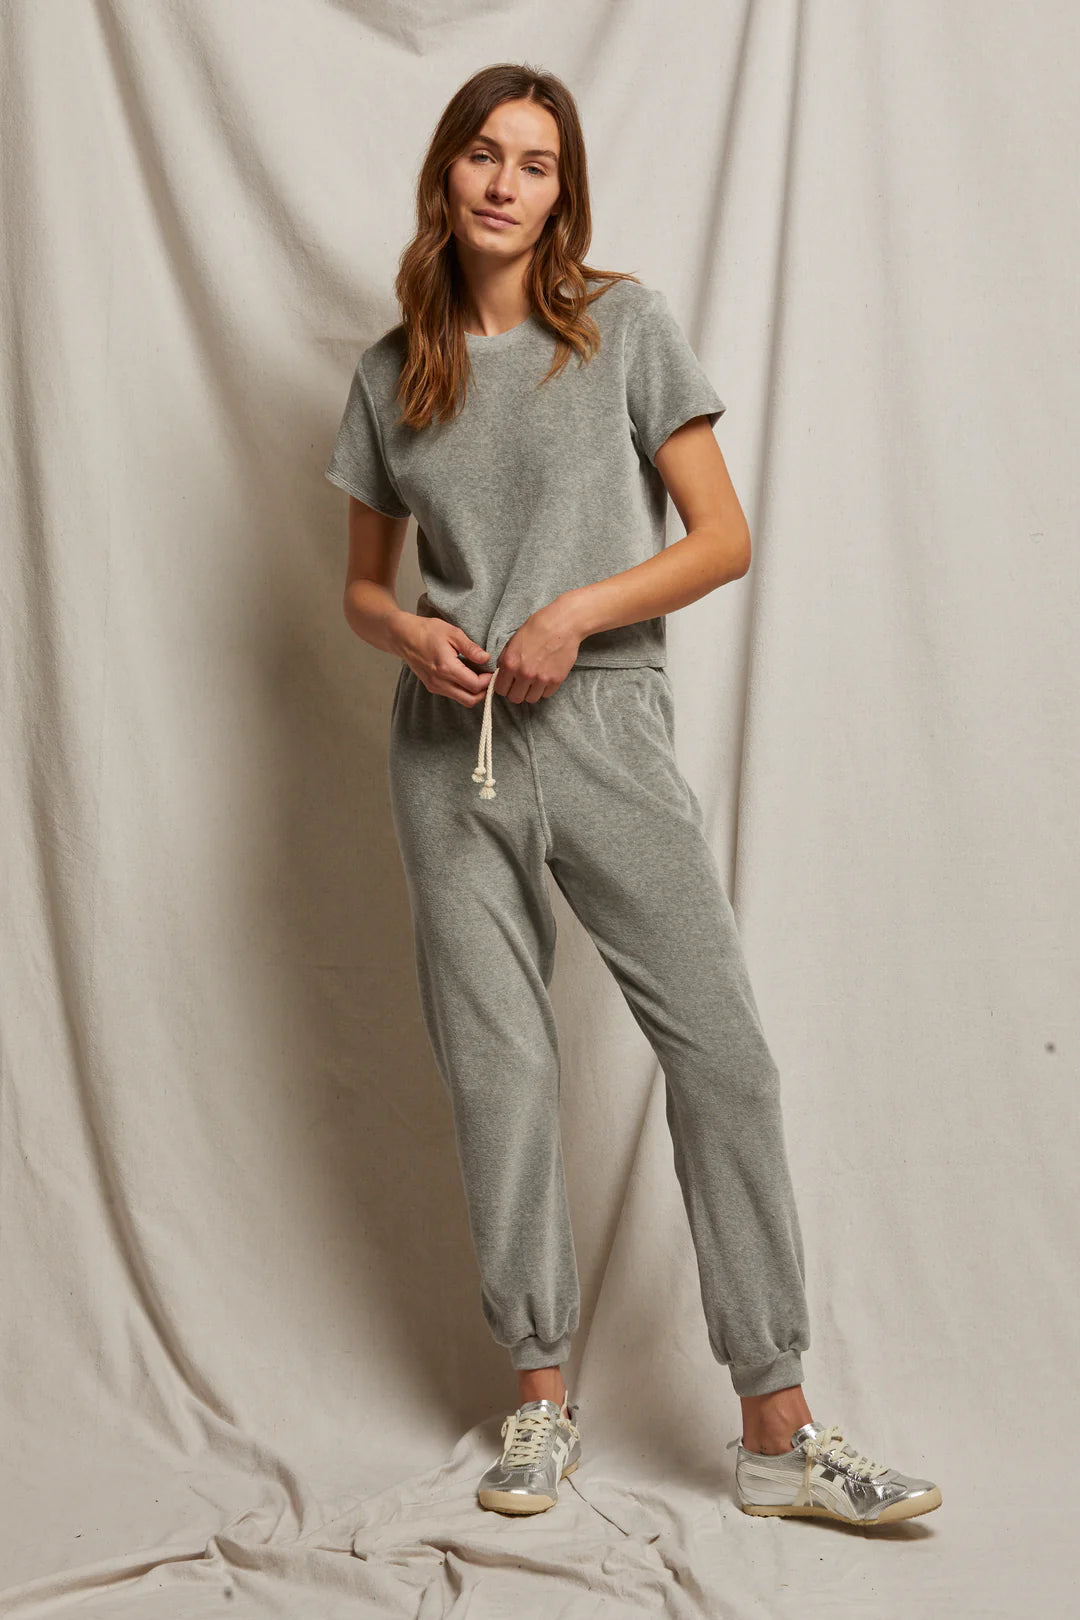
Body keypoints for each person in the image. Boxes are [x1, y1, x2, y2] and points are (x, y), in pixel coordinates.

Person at [324, 62, 941, 1530]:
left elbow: (720, 537)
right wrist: (408, 627)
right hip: (443, 748)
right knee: (502, 1074)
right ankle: (538, 1401)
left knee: (724, 1052)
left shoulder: (619, 329)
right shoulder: (389, 367)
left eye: (534, 164)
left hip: (602, 729)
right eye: (482, 154)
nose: (503, 183)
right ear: (447, 173)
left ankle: (779, 1423)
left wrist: (574, 616)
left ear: (562, 191)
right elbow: (355, 586)